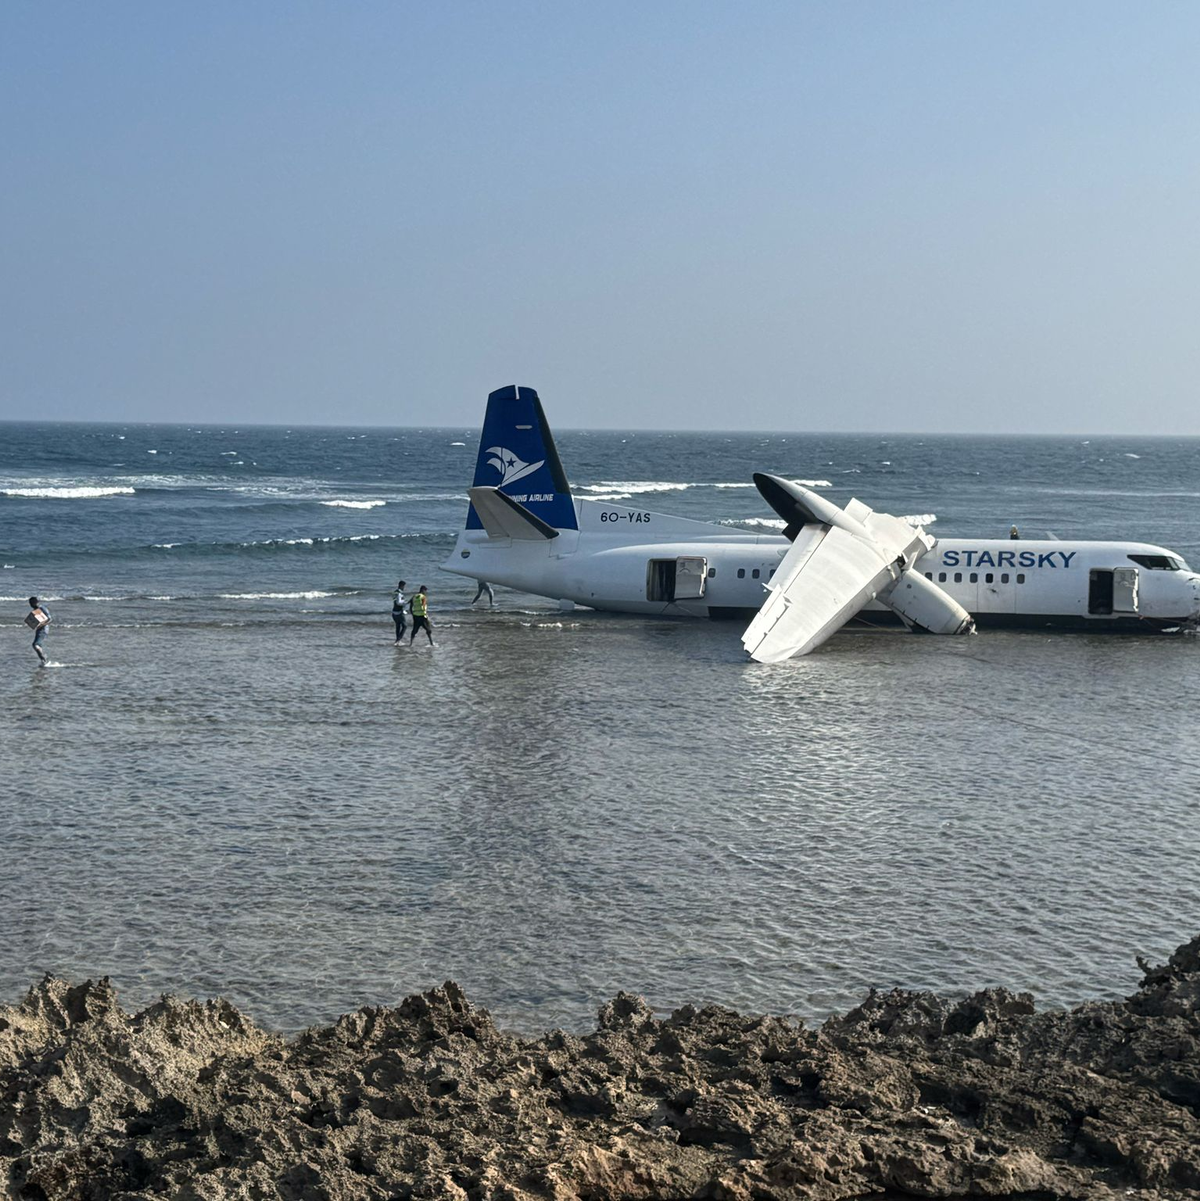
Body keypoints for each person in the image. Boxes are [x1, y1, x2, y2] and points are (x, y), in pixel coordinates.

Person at [26, 596, 51, 665]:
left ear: (36, 602)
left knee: (35, 644)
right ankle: (43, 661)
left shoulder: (42, 608)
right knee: (38, 645)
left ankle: (44, 660)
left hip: (43, 629)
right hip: (39, 629)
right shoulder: (35, 610)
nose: (30, 605)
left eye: (31, 603)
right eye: (30, 603)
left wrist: (42, 625)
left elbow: (49, 619)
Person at [391, 579, 408, 644]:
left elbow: (394, 600)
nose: (404, 588)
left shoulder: (395, 592)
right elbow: (398, 603)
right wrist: (405, 602)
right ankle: (398, 639)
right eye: (404, 586)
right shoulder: (399, 593)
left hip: (394, 612)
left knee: (398, 626)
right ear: (402, 586)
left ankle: (397, 640)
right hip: (399, 612)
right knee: (405, 626)